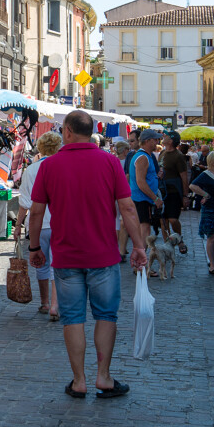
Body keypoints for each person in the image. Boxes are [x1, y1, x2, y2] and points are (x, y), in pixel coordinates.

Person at [29, 111, 146, 399]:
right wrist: (139, 245)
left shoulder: (49, 165)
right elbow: (128, 208)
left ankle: (79, 380)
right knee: (106, 315)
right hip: (103, 255)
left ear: (67, 131)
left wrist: (34, 248)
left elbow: (36, 211)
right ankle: (103, 377)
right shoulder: (109, 162)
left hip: (67, 255)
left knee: (73, 318)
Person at [14, 132, 62, 319]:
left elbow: (25, 202)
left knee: (40, 263)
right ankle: (55, 305)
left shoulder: (31, 170)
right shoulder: (61, 167)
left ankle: (44, 302)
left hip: (37, 224)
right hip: (58, 222)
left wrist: (18, 225)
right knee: (56, 265)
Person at [128, 129, 164, 250]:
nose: (157, 142)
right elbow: (141, 182)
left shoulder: (145, 156)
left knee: (144, 229)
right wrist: (155, 198)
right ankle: (141, 262)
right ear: (147, 141)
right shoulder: (143, 157)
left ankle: (140, 263)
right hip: (142, 199)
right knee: (144, 230)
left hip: (142, 198)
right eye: (155, 140)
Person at [159, 130, 188, 242]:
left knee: (173, 219)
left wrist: (185, 196)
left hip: (174, 191)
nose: (163, 136)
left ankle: (178, 239)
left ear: (171, 141)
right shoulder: (162, 153)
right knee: (163, 220)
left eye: (165, 136)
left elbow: (184, 177)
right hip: (162, 191)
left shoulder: (178, 156)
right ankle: (167, 243)